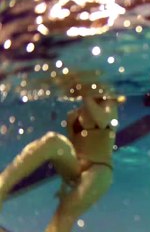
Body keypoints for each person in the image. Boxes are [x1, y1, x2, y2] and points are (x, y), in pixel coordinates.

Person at [0, 82, 123, 232]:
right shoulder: (73, 116)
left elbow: (104, 122)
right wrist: (65, 185)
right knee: (52, 141)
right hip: (76, 167)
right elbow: (72, 147)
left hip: (99, 170)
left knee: (65, 212)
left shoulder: (109, 105)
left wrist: (86, 96)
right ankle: (2, 185)